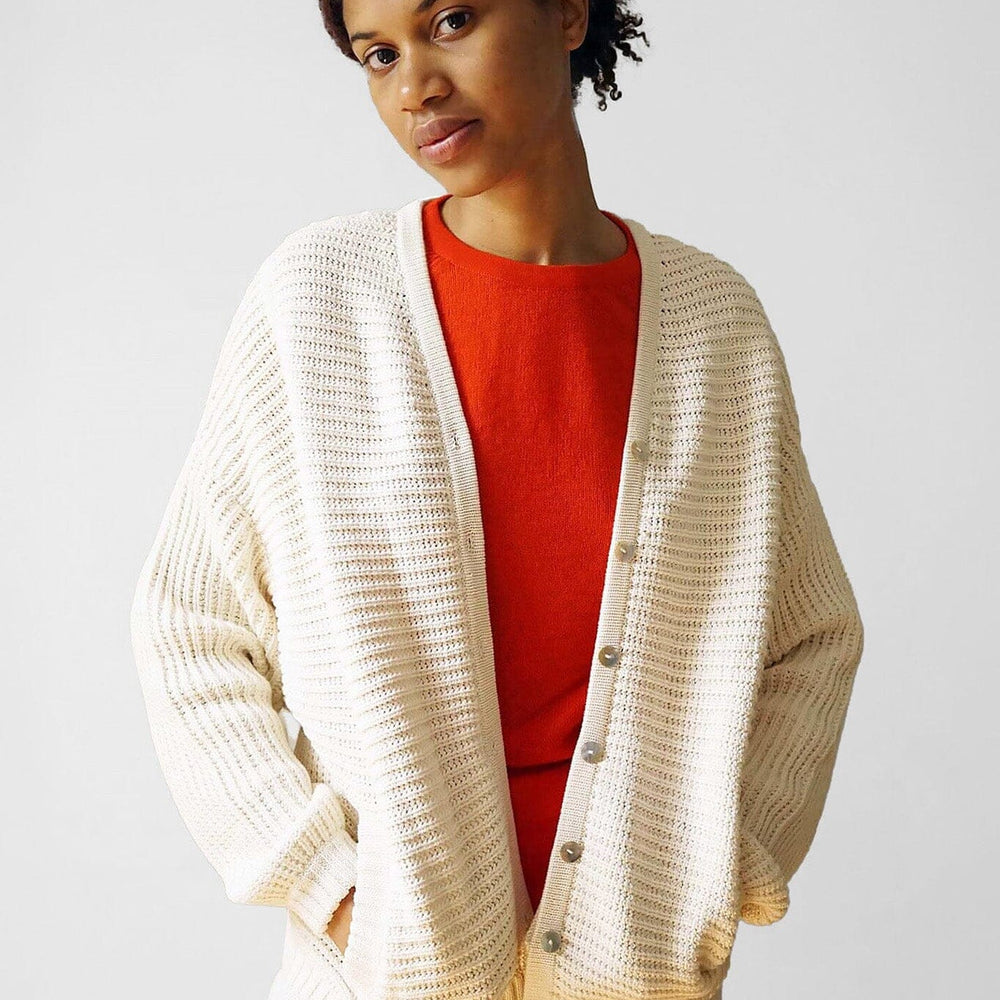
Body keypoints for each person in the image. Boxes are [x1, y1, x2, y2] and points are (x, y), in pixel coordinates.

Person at [130, 3, 865, 999]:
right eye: (378, 53)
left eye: (452, 20)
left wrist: (718, 865)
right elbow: (190, 623)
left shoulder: (712, 325)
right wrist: (334, 890)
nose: (413, 84)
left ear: (567, 11)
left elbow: (810, 635)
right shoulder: (320, 305)